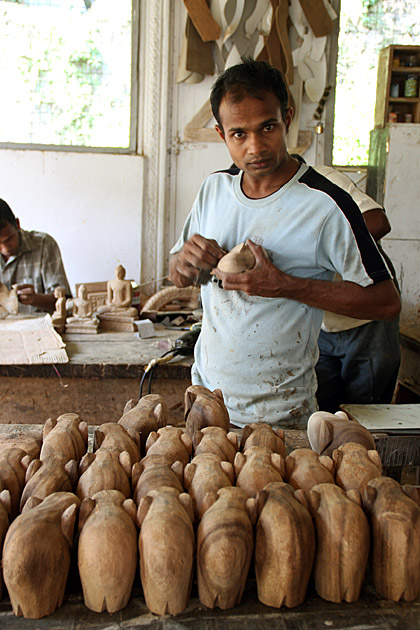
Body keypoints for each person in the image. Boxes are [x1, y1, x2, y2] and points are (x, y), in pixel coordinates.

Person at [169, 57, 401, 429]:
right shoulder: (212, 190)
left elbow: (387, 303)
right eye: (239, 134)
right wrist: (182, 263)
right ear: (220, 133)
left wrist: (284, 285)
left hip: (279, 416)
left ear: (287, 117)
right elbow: (178, 276)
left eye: (268, 127)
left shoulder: (325, 204)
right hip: (206, 403)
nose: (256, 147)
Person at [312, 165, 401, 411]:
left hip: (367, 321)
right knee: (325, 416)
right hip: (321, 325)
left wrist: (312, 254)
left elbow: (377, 221)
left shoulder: (321, 179)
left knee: (366, 417)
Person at [0, 198, 71, 314]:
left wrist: (35, 299)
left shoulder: (44, 245)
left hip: (40, 328)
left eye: (9, 239)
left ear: (17, 224)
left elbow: (65, 302)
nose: (5, 248)